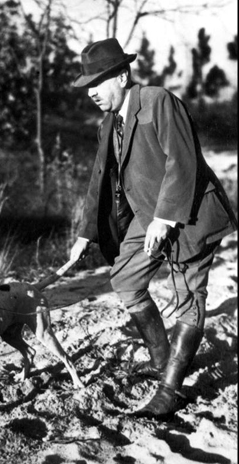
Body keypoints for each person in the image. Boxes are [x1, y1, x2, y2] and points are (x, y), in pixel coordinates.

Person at [70, 37, 237, 419]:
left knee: (187, 296)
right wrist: (85, 233)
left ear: (124, 75)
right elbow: (100, 178)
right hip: (149, 217)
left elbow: (184, 162)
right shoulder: (109, 122)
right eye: (88, 86)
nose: (93, 92)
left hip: (192, 215)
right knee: (125, 279)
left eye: (100, 82)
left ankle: (170, 391)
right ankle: (164, 360)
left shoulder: (159, 101)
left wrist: (163, 219)